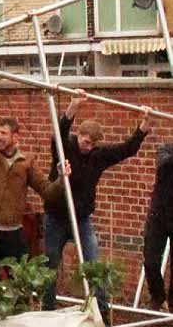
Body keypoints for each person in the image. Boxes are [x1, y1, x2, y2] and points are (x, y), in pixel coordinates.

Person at [42, 90, 151, 315]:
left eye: (92, 144)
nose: (87, 146)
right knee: (50, 263)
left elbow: (126, 149)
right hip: (56, 216)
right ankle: (47, 310)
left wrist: (144, 127)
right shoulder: (65, 147)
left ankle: (101, 310)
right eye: (85, 141)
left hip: (81, 218)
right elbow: (59, 131)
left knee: (94, 262)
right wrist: (73, 106)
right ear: (79, 135)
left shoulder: (97, 156)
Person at [0, 71, 67, 297]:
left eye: (3, 133)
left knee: (21, 282)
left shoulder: (25, 163)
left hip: (12, 232)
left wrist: (62, 179)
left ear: (15, 137)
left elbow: (47, 191)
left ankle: (17, 324)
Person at [143, 143, 173, 311]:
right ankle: (158, 297)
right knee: (151, 260)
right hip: (159, 216)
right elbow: (164, 164)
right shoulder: (165, 150)